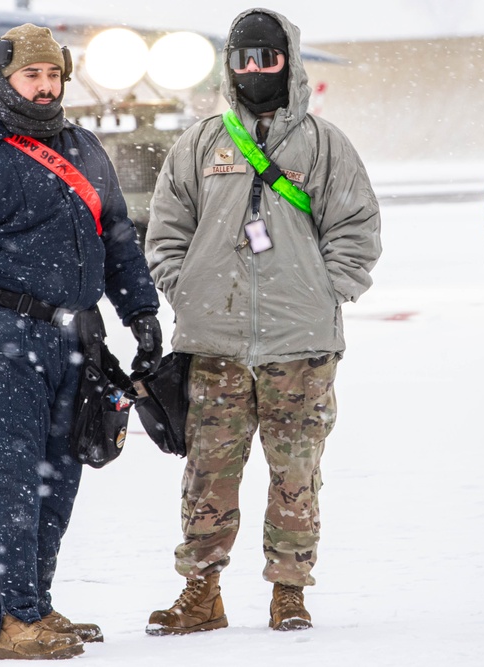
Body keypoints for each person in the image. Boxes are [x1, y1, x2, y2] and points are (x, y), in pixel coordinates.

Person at [0, 23, 161, 660]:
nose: (45, 88)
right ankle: (10, 624)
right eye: (32, 76)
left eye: (53, 76)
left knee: (57, 478)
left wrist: (142, 315)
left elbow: (120, 240)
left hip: (73, 340)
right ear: (3, 78)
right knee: (6, 485)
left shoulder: (85, 148)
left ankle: (35, 606)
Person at [143, 8, 381, 635]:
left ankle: (289, 592)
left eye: (266, 58)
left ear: (289, 62)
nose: (254, 71)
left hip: (301, 345)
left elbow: (356, 227)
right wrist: (184, 289)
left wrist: (326, 292)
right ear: (229, 64)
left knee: (295, 472)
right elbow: (166, 231)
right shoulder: (200, 144)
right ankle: (201, 592)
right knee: (208, 472)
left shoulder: (325, 144)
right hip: (214, 341)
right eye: (243, 59)